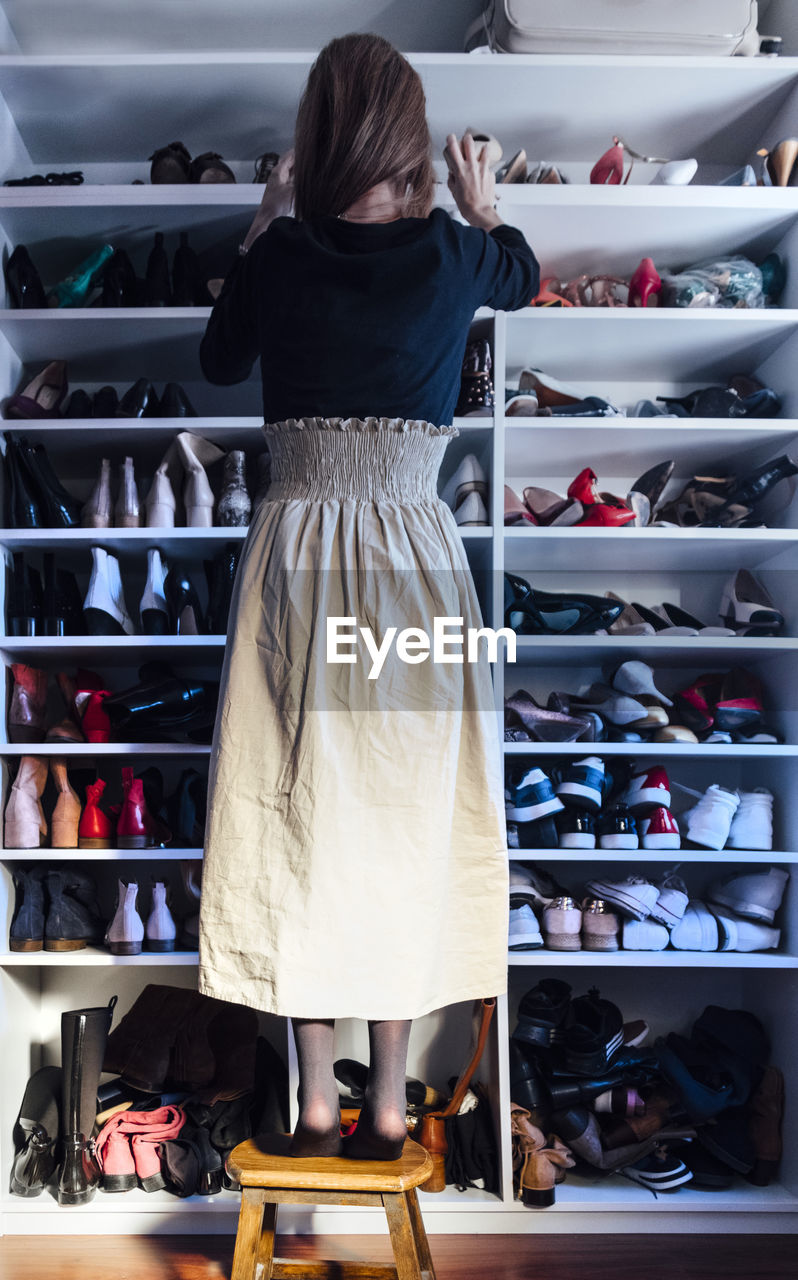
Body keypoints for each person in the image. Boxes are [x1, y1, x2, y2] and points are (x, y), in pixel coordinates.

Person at [197, 32, 539, 1161]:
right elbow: (524, 273)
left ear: (319, 133)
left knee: (294, 815)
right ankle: (391, 1103)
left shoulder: (284, 258)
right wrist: (487, 209)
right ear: (405, 135)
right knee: (393, 824)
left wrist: (261, 222)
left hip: (296, 560)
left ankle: (312, 1100)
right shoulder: (453, 254)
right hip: (408, 561)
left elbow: (215, 357)